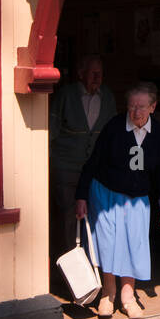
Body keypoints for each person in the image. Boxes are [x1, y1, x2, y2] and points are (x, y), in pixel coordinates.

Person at [74, 82, 160, 319]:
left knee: (133, 244)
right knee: (107, 244)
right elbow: (93, 162)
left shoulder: (158, 134)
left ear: (153, 107)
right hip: (106, 193)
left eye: (141, 107)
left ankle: (128, 297)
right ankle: (108, 295)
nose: (135, 112)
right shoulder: (114, 128)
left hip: (138, 198)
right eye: (131, 107)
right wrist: (81, 195)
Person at [49, 55, 117, 264]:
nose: (97, 77)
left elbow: (114, 132)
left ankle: (92, 266)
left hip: (96, 171)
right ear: (81, 74)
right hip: (66, 168)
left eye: (100, 73)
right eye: (92, 72)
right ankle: (69, 269)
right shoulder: (66, 95)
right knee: (69, 217)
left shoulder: (107, 97)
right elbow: (51, 130)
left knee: (98, 216)